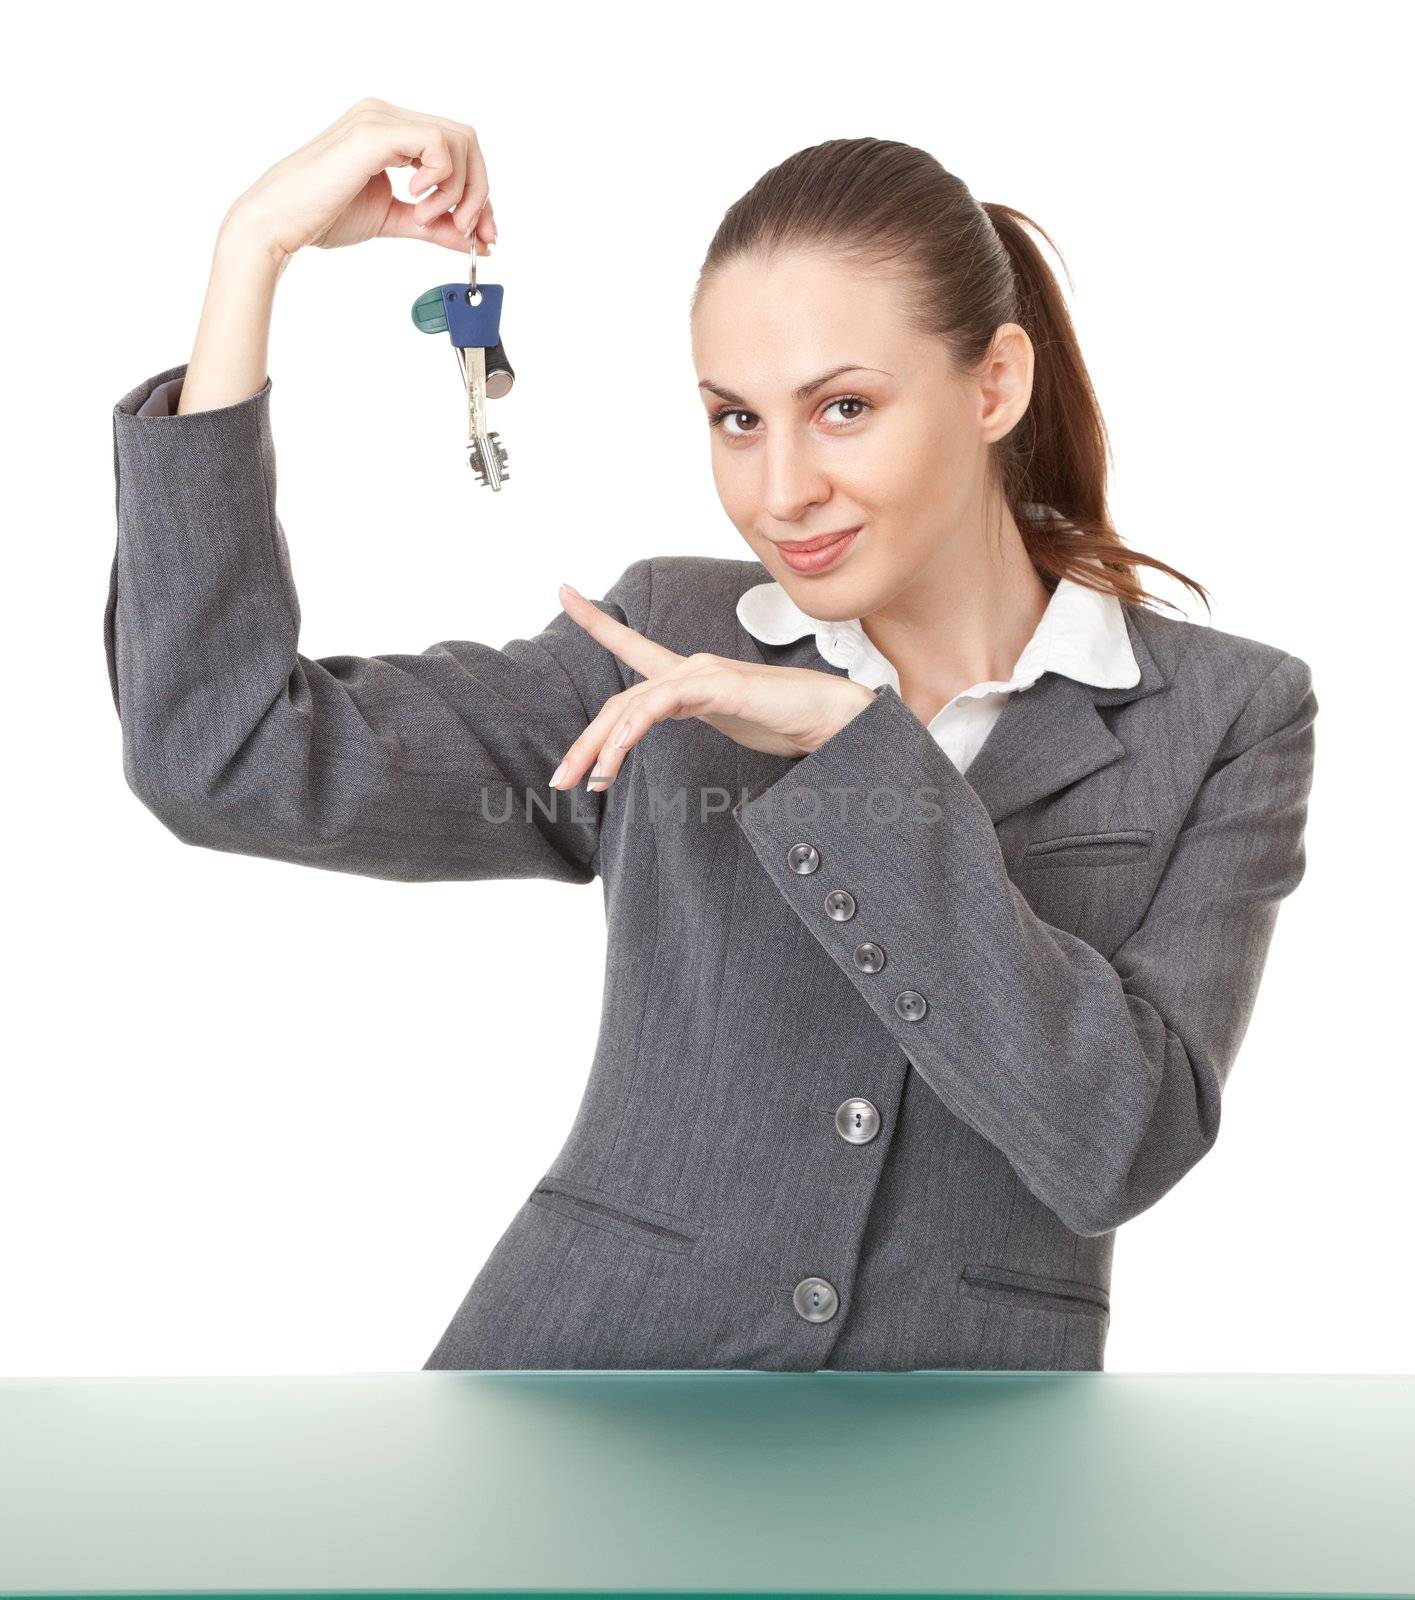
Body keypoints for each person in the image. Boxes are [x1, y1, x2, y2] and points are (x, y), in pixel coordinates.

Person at [105, 98, 1317, 1373]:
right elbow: (222, 754)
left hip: (953, 1474)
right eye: (735, 418)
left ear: (993, 384)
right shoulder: (669, 638)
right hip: (585, 1409)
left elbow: (1113, 1142)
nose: (779, 490)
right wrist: (253, 251)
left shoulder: (1225, 715)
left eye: (842, 407)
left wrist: (863, 755)